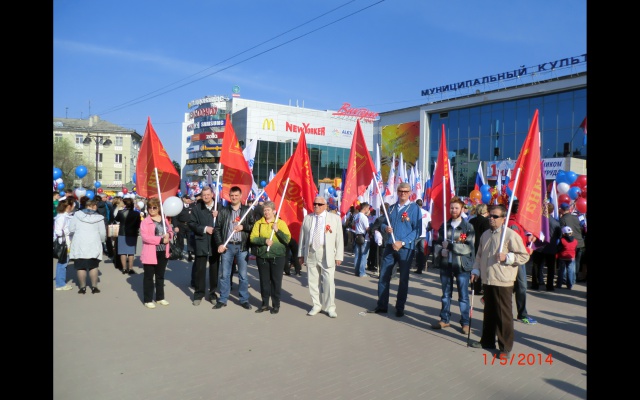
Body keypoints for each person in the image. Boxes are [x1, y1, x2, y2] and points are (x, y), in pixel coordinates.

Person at [469, 204, 531, 358]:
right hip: (488, 279)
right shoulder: (485, 234)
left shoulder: (510, 235)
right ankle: (487, 341)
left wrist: (508, 257)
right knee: (489, 312)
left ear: (503, 219)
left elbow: (524, 256)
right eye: (490, 215)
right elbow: (479, 255)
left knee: (503, 315)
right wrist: (476, 270)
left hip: (503, 280)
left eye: (495, 216)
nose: (491, 218)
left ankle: (505, 347)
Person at [367, 183, 422, 317]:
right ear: (397, 192)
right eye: (400, 191)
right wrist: (385, 228)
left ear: (410, 193)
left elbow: (417, 231)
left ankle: (400, 306)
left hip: (405, 248)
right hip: (390, 246)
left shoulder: (414, 208)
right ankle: (382, 305)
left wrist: (402, 242)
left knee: (403, 279)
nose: (403, 193)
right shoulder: (391, 208)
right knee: (383, 276)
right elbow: (383, 223)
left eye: (405, 191)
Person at [431, 197, 476, 334]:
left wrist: (451, 247)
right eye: (451, 208)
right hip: (446, 265)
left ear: (462, 209)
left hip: (462, 266)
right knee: (445, 295)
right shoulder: (444, 226)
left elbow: (468, 247)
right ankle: (444, 319)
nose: (454, 210)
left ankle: (465, 322)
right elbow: (437, 243)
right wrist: (440, 251)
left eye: (456, 208)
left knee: (463, 296)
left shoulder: (468, 227)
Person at [298, 196, 344, 318]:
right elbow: (302, 237)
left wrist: (339, 256)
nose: (316, 206)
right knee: (313, 281)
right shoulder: (308, 218)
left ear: (325, 206)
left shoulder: (334, 218)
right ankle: (316, 305)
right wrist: (300, 254)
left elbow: (339, 238)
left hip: (327, 252)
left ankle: (330, 307)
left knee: (328, 281)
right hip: (311, 252)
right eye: (315, 204)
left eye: (319, 204)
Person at [213, 186, 256, 310]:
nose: (234, 197)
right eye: (232, 195)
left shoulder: (247, 210)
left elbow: (254, 226)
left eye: (236, 195)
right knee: (224, 274)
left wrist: (244, 227)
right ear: (229, 196)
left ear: (241, 196)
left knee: (243, 275)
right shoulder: (224, 211)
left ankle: (244, 299)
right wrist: (220, 244)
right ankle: (223, 299)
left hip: (242, 246)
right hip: (227, 246)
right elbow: (217, 229)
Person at [249, 201, 291, 314]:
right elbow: (252, 238)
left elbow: (287, 239)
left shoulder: (280, 223)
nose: (266, 212)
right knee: (264, 281)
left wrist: (277, 231)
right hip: (262, 256)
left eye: (268, 210)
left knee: (276, 282)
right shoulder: (259, 223)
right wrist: (264, 240)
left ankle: (276, 305)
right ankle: (265, 304)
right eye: (265, 210)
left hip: (277, 257)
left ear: (274, 211)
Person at [188, 186, 222, 306]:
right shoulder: (197, 208)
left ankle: (212, 294)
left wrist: (218, 215)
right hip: (201, 242)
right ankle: (198, 294)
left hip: (215, 243)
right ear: (201, 196)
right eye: (204, 195)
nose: (206, 197)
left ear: (212, 195)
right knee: (200, 269)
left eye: (208, 194)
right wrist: (205, 228)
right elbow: (191, 224)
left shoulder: (219, 207)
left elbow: (225, 222)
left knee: (214, 270)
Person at [139, 197, 173, 308]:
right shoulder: (145, 222)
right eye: (150, 207)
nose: (152, 209)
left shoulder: (164, 219)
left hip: (163, 251)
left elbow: (170, 231)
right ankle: (148, 299)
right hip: (150, 252)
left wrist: (169, 235)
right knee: (149, 277)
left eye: (154, 207)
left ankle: (160, 297)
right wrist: (160, 240)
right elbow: (145, 237)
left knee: (160, 276)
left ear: (159, 208)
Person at [507, 199, 537, 325]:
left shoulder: (516, 222)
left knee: (515, 286)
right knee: (521, 286)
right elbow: (515, 245)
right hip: (516, 259)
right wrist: (528, 250)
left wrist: (528, 238)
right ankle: (522, 314)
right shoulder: (513, 224)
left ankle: (488, 298)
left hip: (517, 258)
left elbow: (519, 239)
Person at [68, 199, 106, 294]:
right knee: (93, 266)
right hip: (93, 243)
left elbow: (71, 229)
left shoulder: (77, 215)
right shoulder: (99, 218)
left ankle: (82, 287)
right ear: (93, 206)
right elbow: (102, 233)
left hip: (80, 243)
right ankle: (94, 287)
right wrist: (102, 241)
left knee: (81, 267)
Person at [530, 202, 562, 291]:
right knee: (551, 268)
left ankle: (535, 284)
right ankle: (549, 286)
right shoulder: (556, 222)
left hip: (539, 247)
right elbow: (559, 235)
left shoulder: (539, 221)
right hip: (550, 248)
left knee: (536, 266)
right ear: (552, 211)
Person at [559, 203, 585, 283]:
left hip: (570, 243)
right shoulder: (576, 217)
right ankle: (574, 278)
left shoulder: (563, 219)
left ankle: (565, 279)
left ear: (562, 210)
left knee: (567, 262)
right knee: (576, 262)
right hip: (579, 242)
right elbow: (582, 227)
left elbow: (562, 232)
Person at [114, 197, 141, 275]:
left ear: (125, 204)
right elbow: (138, 224)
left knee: (123, 252)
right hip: (132, 233)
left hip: (122, 233)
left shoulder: (120, 212)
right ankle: (131, 268)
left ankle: (124, 268)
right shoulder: (136, 213)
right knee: (131, 252)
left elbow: (116, 219)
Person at [54, 198, 76, 291]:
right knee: (62, 263)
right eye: (73, 205)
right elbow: (58, 231)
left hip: (66, 242)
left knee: (63, 263)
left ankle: (60, 283)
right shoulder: (62, 217)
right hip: (64, 243)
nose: (74, 206)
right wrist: (69, 231)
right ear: (68, 206)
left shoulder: (66, 216)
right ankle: (60, 284)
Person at [469, 203, 491, 294]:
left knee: (474, 266)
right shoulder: (486, 222)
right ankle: (479, 287)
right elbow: (487, 235)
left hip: (471, 245)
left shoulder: (471, 220)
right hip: (481, 246)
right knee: (481, 267)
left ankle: (474, 287)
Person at [413, 198, 431, 274]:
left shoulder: (414, 212)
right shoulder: (427, 213)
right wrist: (427, 230)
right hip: (423, 235)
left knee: (412, 250)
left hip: (415, 234)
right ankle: (420, 268)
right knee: (421, 252)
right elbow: (430, 224)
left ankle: (410, 266)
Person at [353, 202, 371, 277]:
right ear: (365, 208)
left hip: (357, 236)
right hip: (364, 238)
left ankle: (356, 271)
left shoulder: (356, 216)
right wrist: (371, 233)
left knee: (357, 255)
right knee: (364, 255)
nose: (368, 210)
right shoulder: (364, 217)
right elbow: (367, 228)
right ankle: (362, 272)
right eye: (368, 208)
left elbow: (353, 225)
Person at [174, 194, 193, 260]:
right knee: (180, 240)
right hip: (181, 225)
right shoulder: (179, 206)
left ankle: (190, 254)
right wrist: (175, 226)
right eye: (187, 198)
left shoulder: (192, 206)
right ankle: (180, 253)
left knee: (190, 240)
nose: (189, 200)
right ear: (183, 199)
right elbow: (175, 217)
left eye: (189, 198)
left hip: (189, 226)